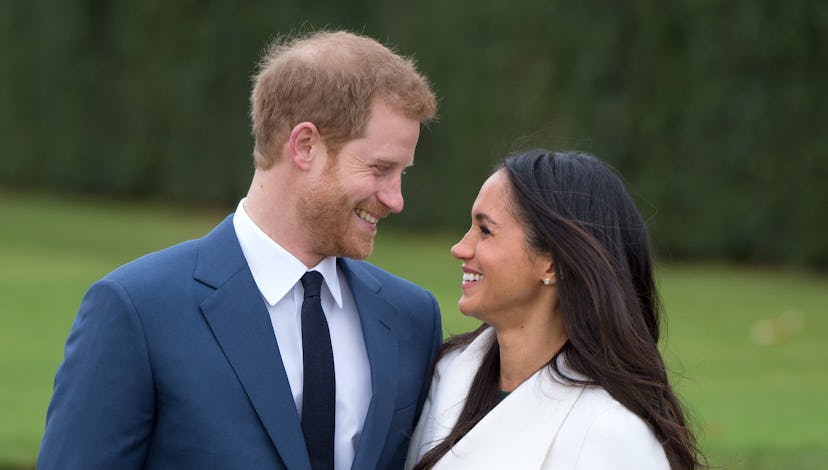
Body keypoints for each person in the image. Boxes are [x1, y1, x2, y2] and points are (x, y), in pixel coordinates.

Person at [38, 30, 442, 470]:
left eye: (402, 173)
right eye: (381, 169)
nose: (396, 199)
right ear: (305, 146)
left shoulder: (412, 319)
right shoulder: (137, 311)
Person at [405, 149, 706, 469]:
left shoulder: (613, 435)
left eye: (485, 230)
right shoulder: (447, 373)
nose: (460, 248)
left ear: (552, 264)